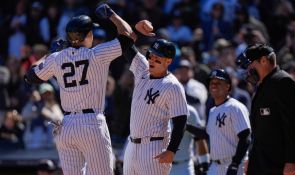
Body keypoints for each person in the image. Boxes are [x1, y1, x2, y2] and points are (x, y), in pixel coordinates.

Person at [23, 4, 147, 175]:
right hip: (91, 123)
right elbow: (129, 36)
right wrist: (111, 15)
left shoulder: (56, 58)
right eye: (91, 32)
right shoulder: (97, 54)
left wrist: (49, 54)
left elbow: (30, 76)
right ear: (87, 35)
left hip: (67, 125)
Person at [236, 43, 295, 175]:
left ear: (263, 61)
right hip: (261, 163)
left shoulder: (283, 82)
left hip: (280, 165)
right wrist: (251, 158)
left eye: (250, 65)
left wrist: (291, 163)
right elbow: (259, 131)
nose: (248, 70)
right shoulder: (262, 86)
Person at [123, 38, 189, 175]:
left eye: (157, 57)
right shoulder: (143, 70)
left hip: (154, 146)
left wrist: (171, 150)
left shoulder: (172, 85)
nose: (152, 60)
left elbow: (180, 120)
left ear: (168, 61)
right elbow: (125, 45)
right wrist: (113, 16)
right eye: (150, 55)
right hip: (132, 145)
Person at [186, 69, 251, 175]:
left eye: (219, 83)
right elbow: (207, 134)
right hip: (215, 166)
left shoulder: (235, 107)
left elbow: (245, 137)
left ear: (228, 86)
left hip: (233, 165)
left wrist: (235, 164)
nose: (214, 86)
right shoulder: (212, 110)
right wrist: (187, 126)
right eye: (212, 83)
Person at [170, 104, 208, 175]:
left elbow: (199, 139)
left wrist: (204, 164)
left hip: (184, 166)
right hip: (160, 166)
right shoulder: (156, 111)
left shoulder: (190, 111)